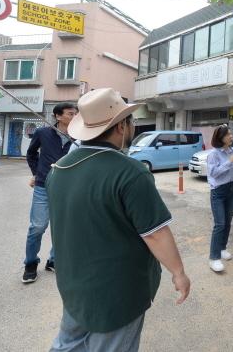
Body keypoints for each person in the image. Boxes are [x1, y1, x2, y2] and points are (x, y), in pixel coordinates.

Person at [46, 88, 190, 351]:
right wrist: (178, 273)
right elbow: (155, 233)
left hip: (73, 284)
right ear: (121, 126)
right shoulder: (130, 171)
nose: (132, 125)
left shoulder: (59, 169)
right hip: (117, 291)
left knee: (67, 345)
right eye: (130, 120)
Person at [22, 102, 77, 283]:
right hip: (43, 187)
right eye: (70, 114)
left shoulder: (79, 137)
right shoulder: (43, 133)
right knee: (37, 227)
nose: (74, 116)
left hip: (67, 188)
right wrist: (37, 173)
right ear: (58, 116)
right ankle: (30, 263)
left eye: (76, 114)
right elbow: (31, 154)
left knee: (62, 228)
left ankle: (53, 260)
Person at [207, 125, 233, 272]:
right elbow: (214, 173)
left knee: (227, 222)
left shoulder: (232, 151)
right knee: (219, 224)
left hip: (230, 189)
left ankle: (222, 248)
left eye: (230, 134)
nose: (231, 136)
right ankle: (214, 258)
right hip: (218, 192)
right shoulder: (214, 154)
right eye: (228, 135)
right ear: (221, 138)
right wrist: (229, 161)